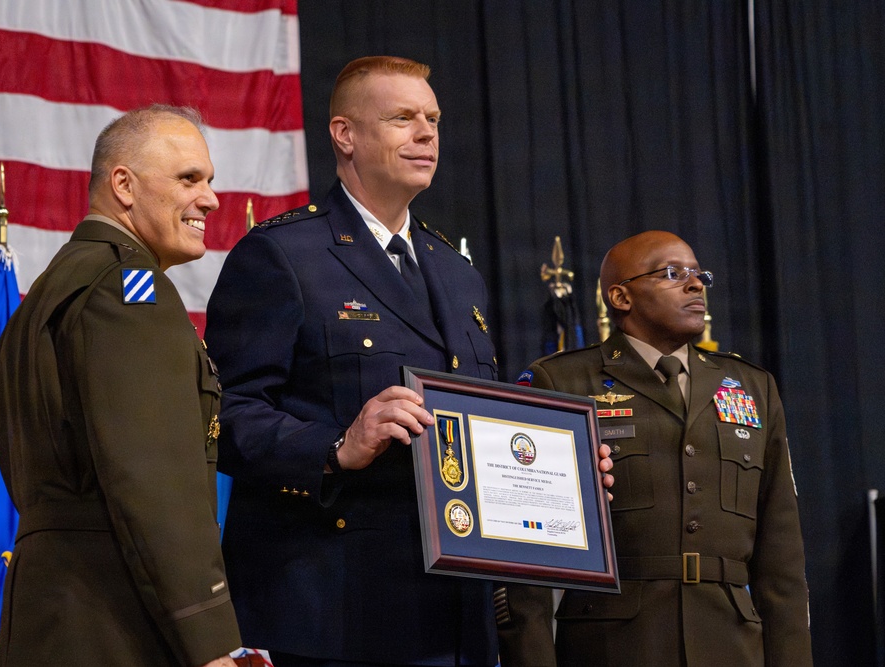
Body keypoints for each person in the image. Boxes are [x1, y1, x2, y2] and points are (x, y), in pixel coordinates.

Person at [205, 56, 498, 666]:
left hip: (453, 616)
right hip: (332, 610)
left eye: (433, 119)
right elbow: (223, 419)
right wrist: (337, 446)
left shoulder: (458, 272)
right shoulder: (282, 255)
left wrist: (564, 472)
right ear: (345, 135)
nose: (426, 133)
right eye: (402, 118)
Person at [0, 105, 241, 666]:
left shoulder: (46, 297)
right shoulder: (126, 293)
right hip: (119, 624)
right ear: (123, 185)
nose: (211, 198)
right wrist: (209, 641)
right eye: (188, 179)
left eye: (210, 181)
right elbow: (153, 482)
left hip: (50, 616)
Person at [497, 231, 812, 666]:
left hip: (731, 644)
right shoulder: (563, 383)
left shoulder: (751, 387)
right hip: (614, 644)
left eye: (698, 274)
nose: (696, 283)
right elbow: (525, 559)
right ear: (621, 297)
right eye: (672, 274)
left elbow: (782, 562)